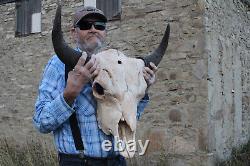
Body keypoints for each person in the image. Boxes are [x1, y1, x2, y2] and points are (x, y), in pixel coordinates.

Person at [33, 5, 157, 166]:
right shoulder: (58, 66)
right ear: (73, 33)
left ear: (105, 33)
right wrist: (69, 94)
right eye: (85, 25)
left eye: (99, 26)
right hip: (79, 162)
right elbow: (41, 122)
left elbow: (129, 117)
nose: (93, 29)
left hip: (117, 161)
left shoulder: (119, 65)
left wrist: (142, 89)